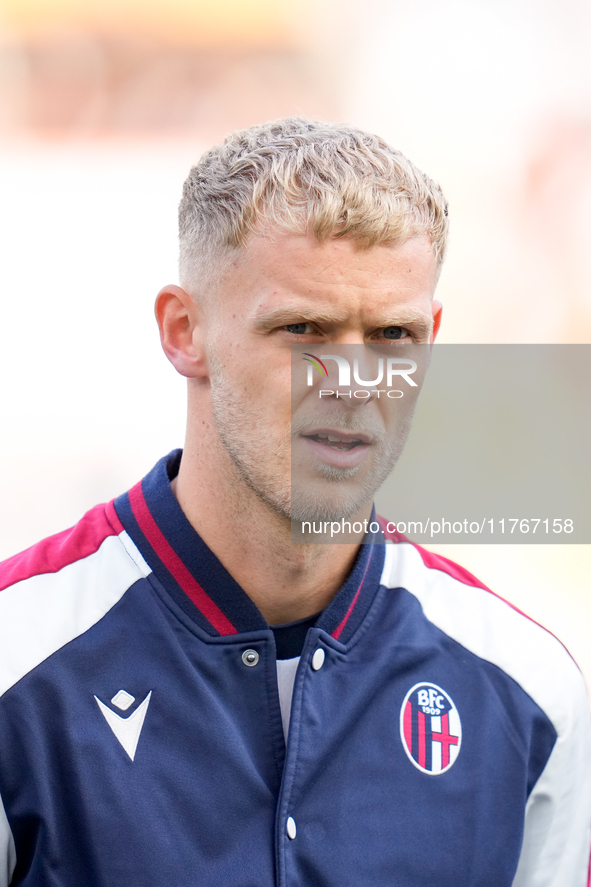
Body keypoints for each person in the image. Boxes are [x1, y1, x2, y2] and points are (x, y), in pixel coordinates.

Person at [0, 118, 589, 887]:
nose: (351, 381)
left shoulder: (528, 688)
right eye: (302, 328)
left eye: (390, 334)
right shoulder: (20, 658)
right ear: (185, 331)